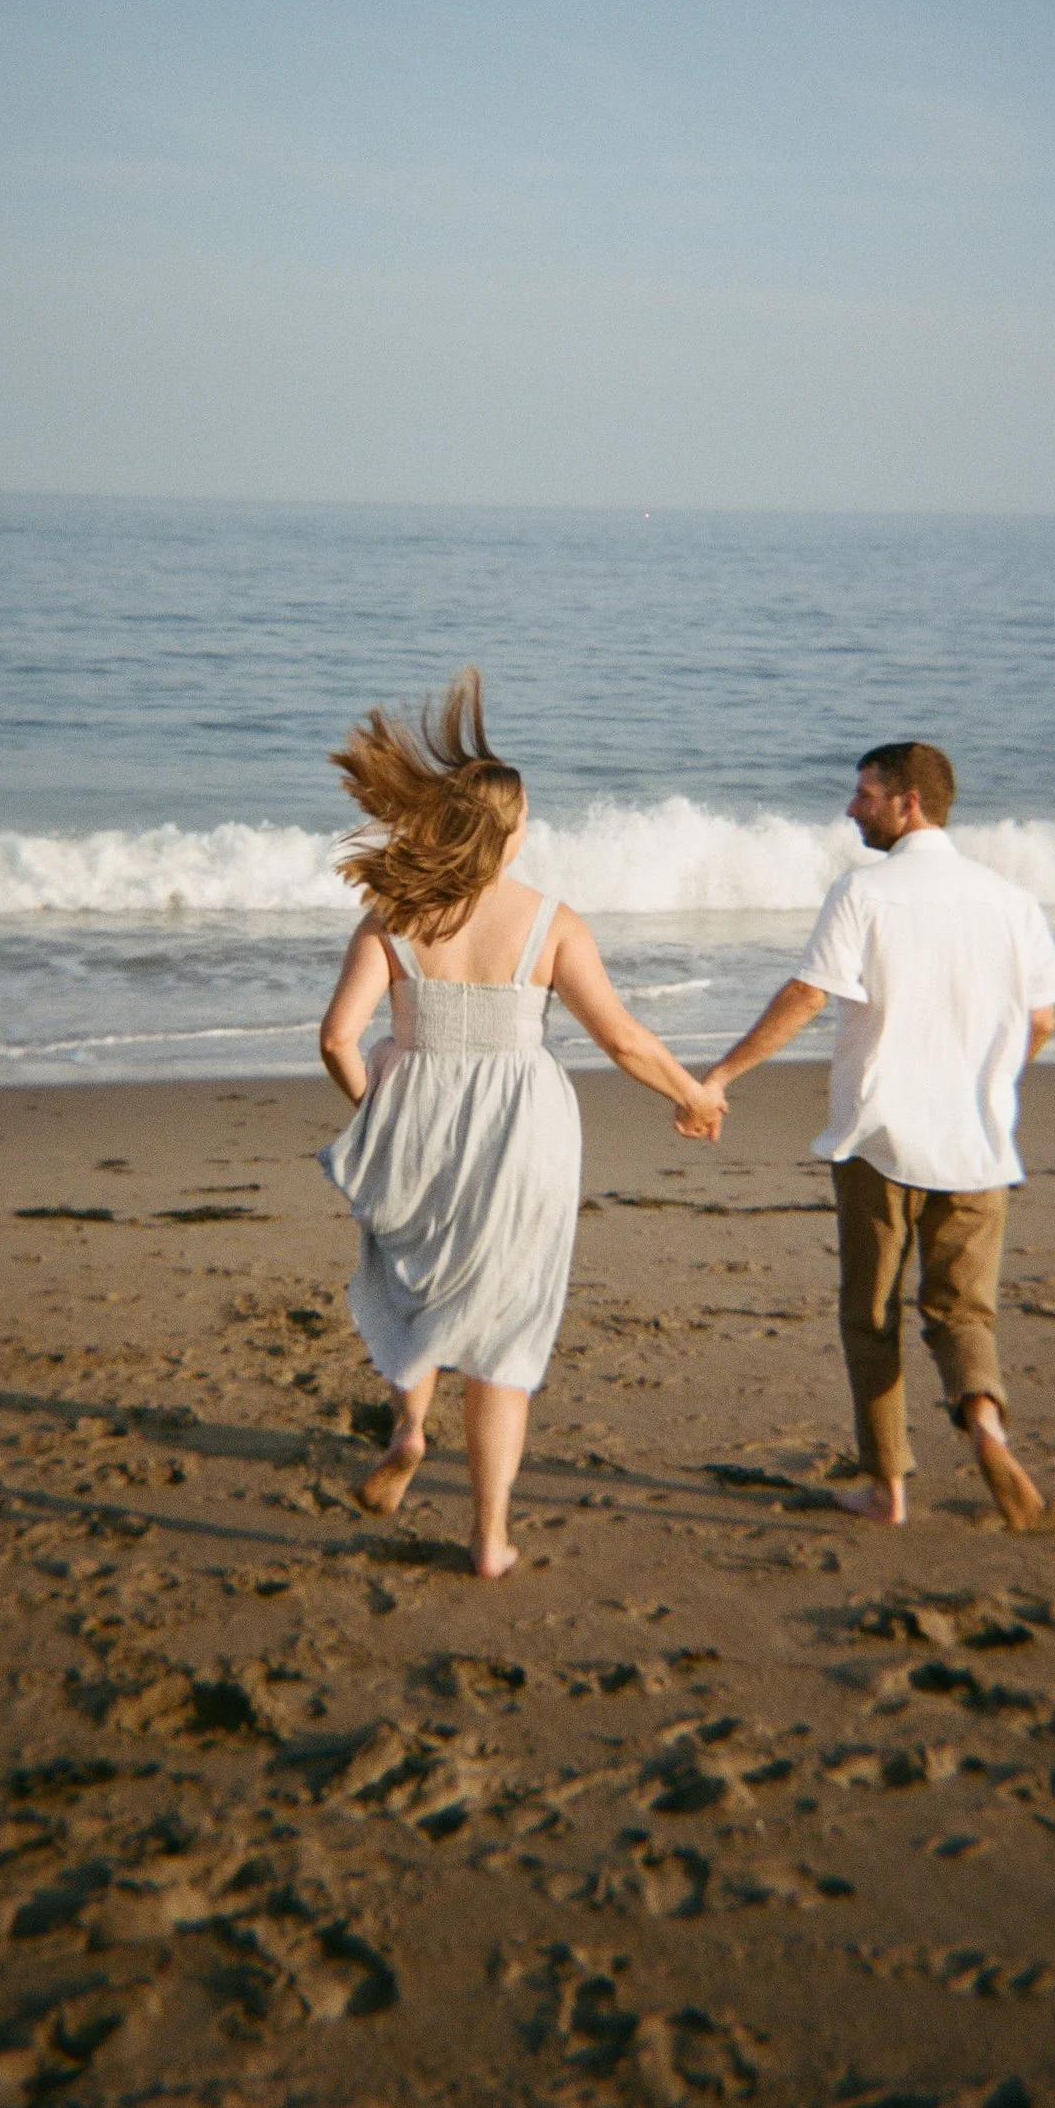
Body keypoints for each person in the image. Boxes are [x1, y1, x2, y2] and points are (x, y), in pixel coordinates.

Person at [319, 671, 725, 1579]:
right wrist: (692, 1095)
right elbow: (620, 1039)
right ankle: (490, 1538)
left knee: (414, 1288)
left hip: (417, 1122)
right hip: (524, 1134)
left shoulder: (395, 914)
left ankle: (412, 1430)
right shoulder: (551, 921)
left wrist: (385, 1113)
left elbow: (338, 1039)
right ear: (507, 829)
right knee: (506, 1331)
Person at [698, 742, 1055, 1532]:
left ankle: (887, 1485)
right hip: (978, 1142)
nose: (850, 809)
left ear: (908, 803)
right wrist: (994, 1080)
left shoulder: (864, 891)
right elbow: (1041, 1019)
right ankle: (987, 1428)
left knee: (872, 1315)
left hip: (881, 1138)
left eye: (864, 795)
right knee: (964, 1311)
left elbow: (806, 994)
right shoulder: (1011, 900)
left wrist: (722, 1075)